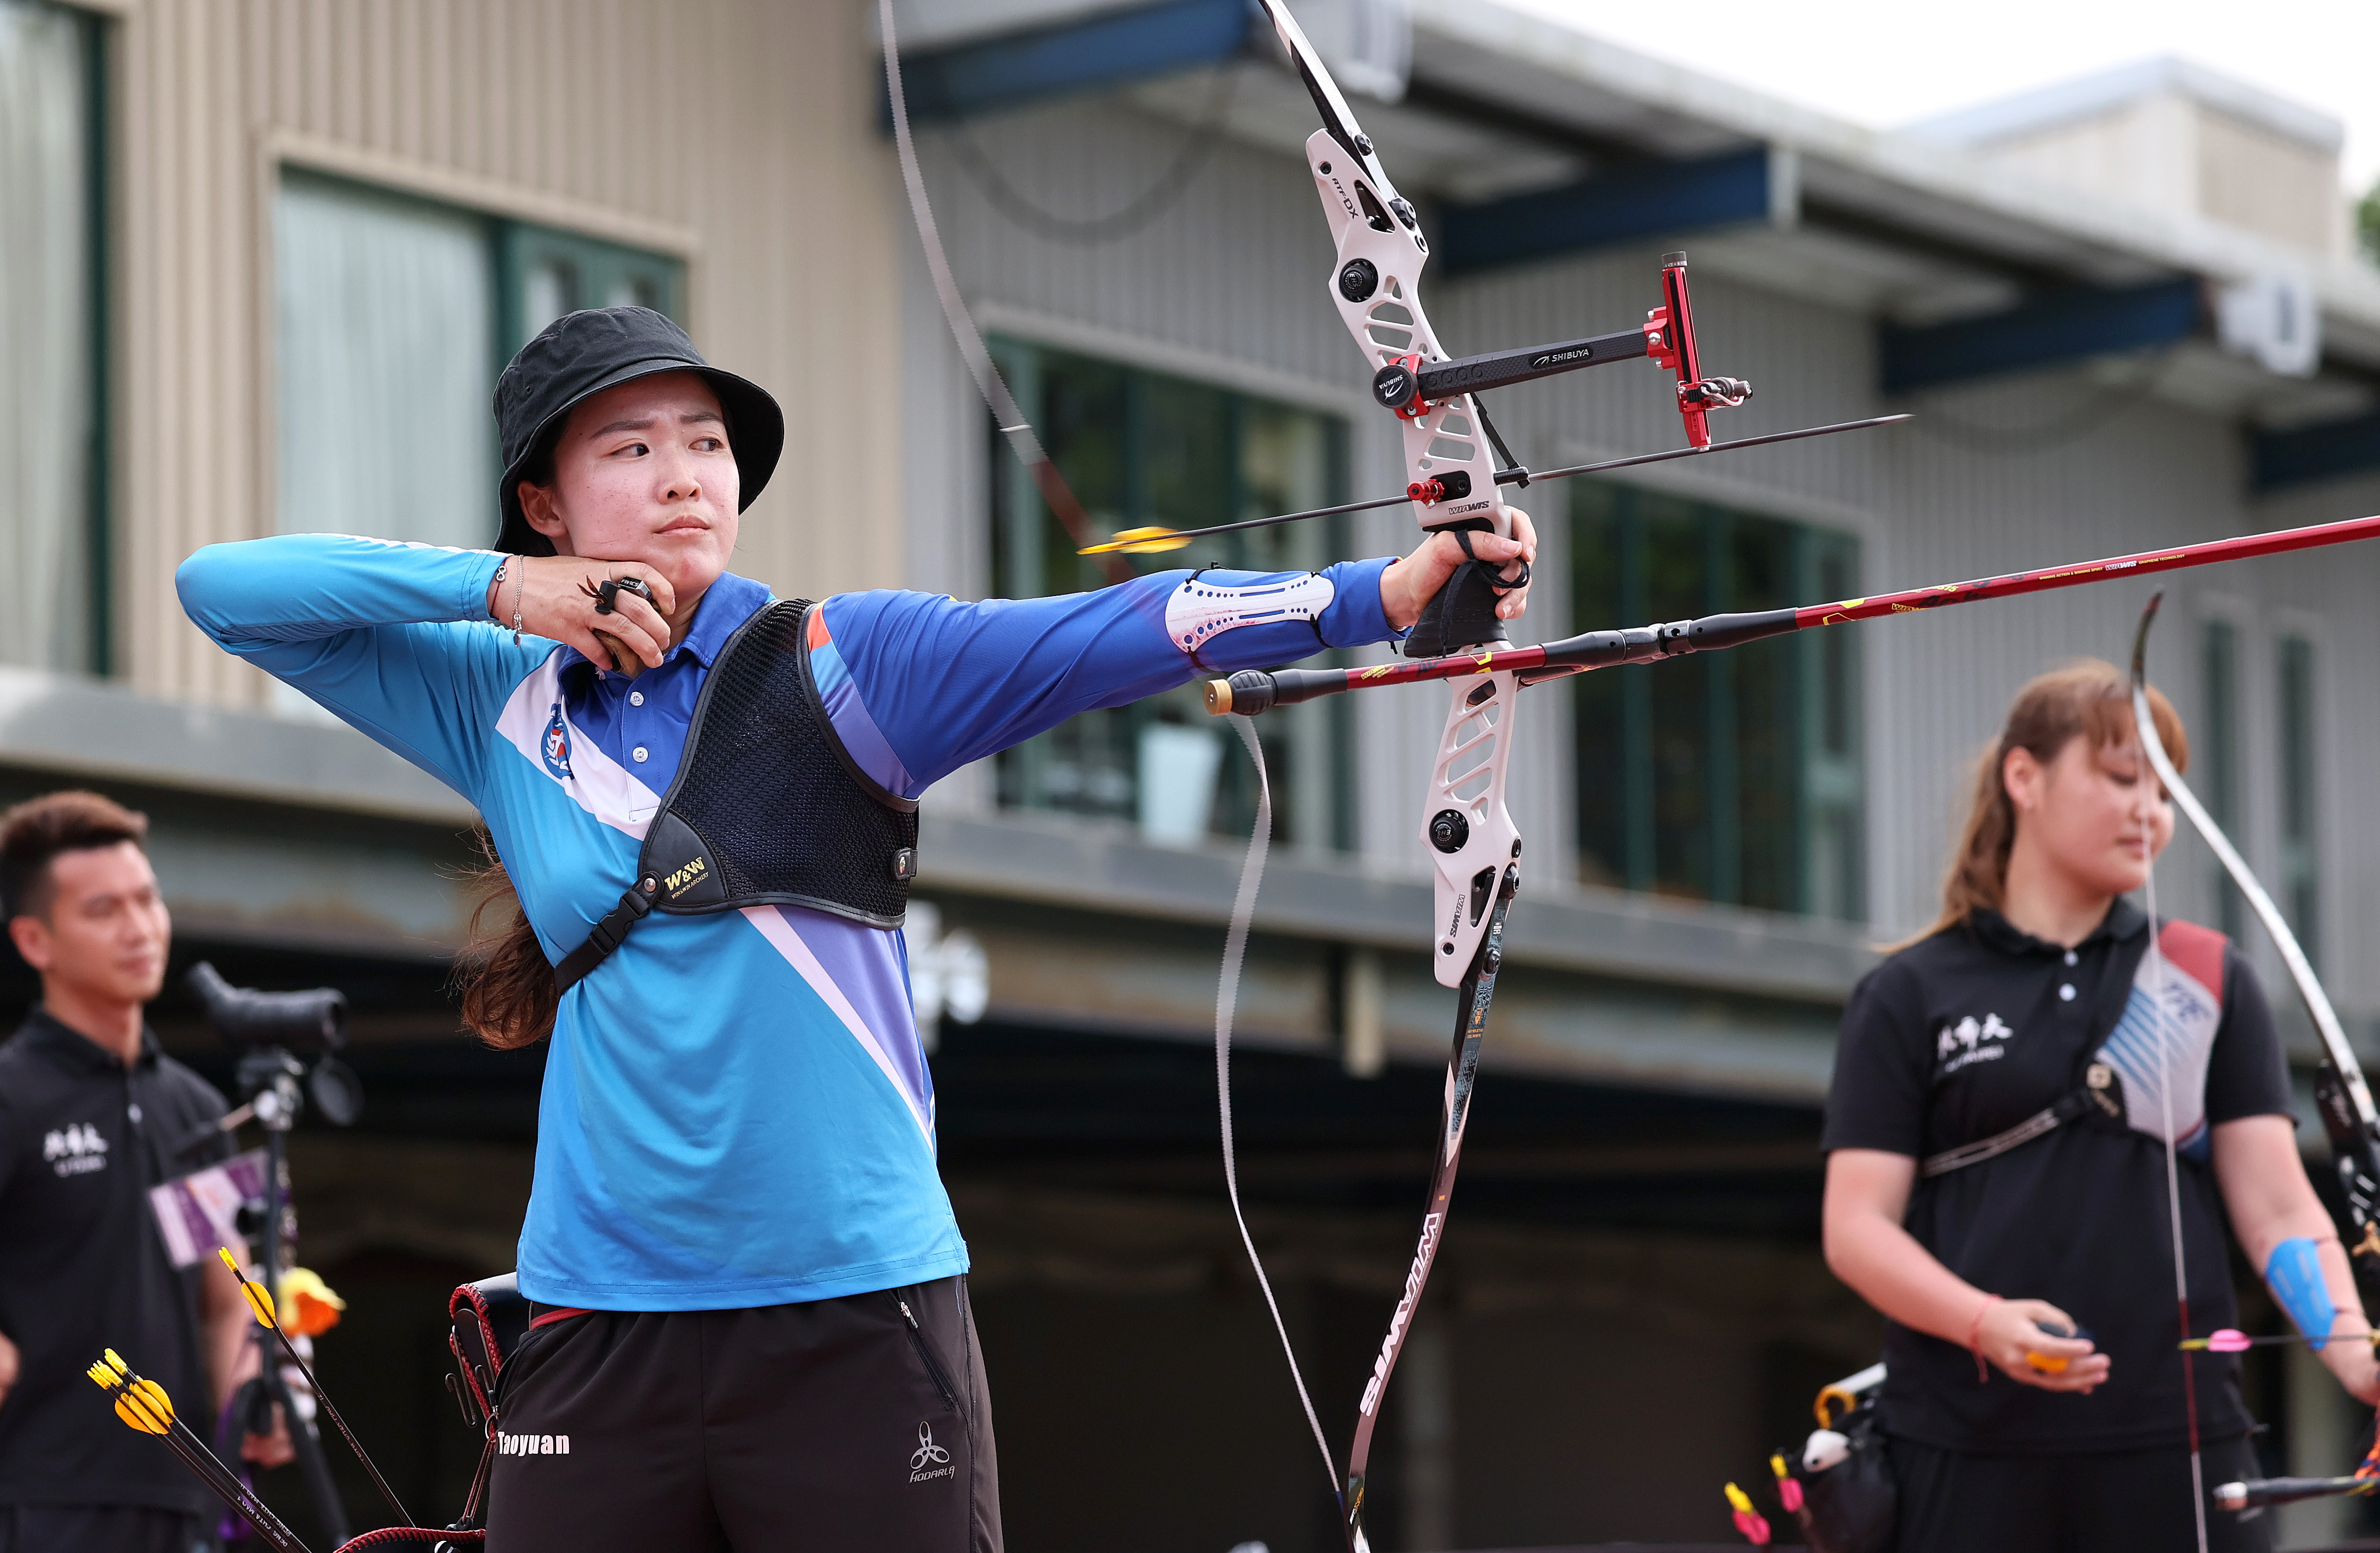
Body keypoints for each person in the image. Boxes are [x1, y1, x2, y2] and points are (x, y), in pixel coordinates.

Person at [174, 305, 1535, 1552]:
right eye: (630, 447)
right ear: (546, 501)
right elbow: (222, 586)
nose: (682, 476)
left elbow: (1110, 627)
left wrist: (1385, 596)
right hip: (596, 1317)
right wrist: (503, 590)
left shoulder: (843, 662)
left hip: (852, 1314)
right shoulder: (495, 698)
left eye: (705, 445)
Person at [1819, 661, 2380, 1551]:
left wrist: (2355, 1351)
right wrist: (1981, 1322)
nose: (2149, 813)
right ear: (2024, 778)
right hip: (1962, 1444)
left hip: (2183, 1441)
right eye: (2123, 780)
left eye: (2165, 794)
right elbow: (1856, 1228)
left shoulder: (2207, 973)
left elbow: (2277, 1209)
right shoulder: (1908, 991)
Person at [0, 792, 288, 1553]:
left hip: (187, 1502)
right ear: (35, 940)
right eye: (103, 910)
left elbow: (224, 1299)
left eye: (146, 900)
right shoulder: (12, 1093)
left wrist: (253, 1403)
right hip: (38, 1498)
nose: (139, 928)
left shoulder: (197, 1108)